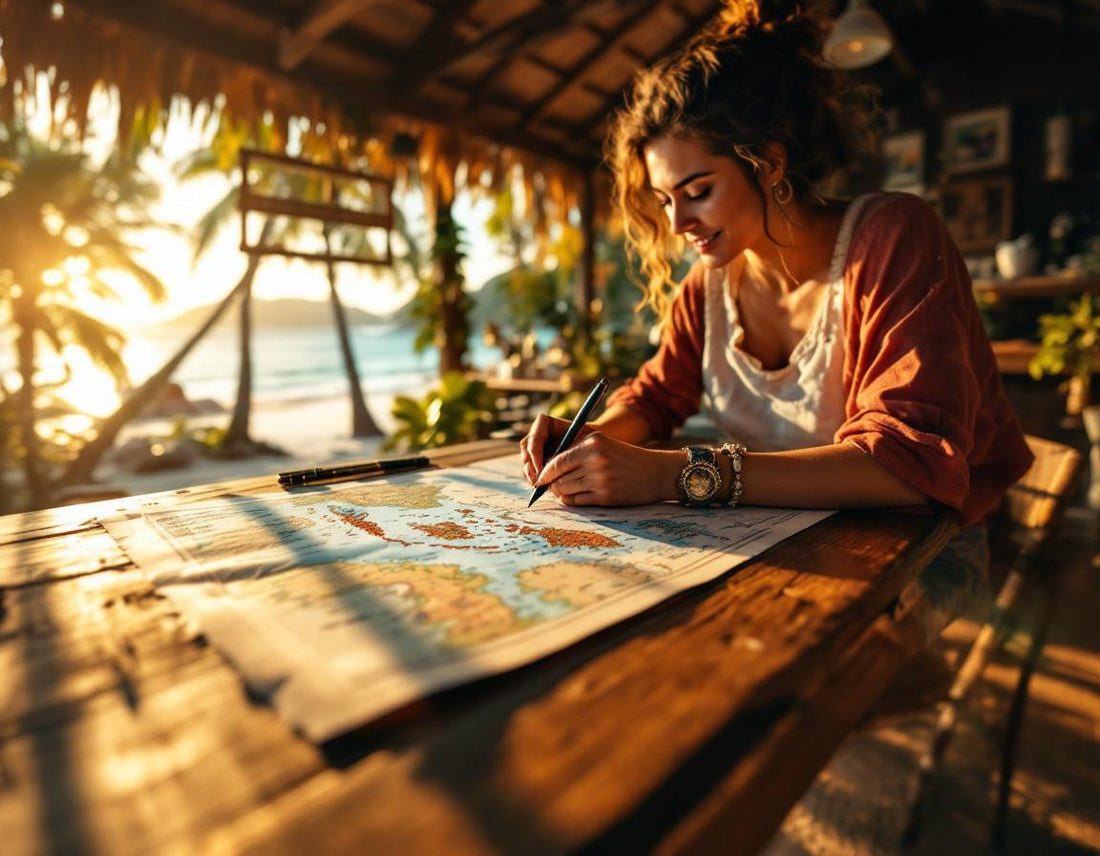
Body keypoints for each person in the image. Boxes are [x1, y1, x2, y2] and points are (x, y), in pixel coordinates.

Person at [518, 0, 1033, 644]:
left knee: (754, 661)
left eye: (698, 190)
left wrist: (671, 472)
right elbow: (655, 396)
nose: (678, 224)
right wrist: (592, 440)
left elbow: (908, 468)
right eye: (665, 201)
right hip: (778, 534)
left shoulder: (892, 239)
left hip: (923, 546)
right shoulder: (709, 283)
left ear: (768, 161)